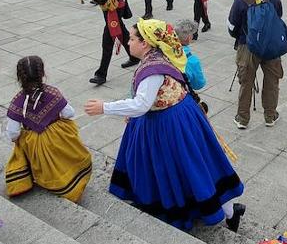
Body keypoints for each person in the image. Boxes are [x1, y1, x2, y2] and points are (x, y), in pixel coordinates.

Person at [84, 20, 246, 232]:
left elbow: (141, 104)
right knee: (198, 164)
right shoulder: (157, 57)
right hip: (178, 117)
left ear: (146, 44)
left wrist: (105, 107)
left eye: (132, 38)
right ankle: (229, 211)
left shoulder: (153, 70)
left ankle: (222, 211)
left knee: (189, 166)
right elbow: (142, 99)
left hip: (170, 123)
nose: (128, 42)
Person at [3, 56, 92, 201]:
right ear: (42, 73)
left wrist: (21, 139)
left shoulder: (17, 101)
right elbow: (69, 113)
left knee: (24, 145)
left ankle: (46, 178)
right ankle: (73, 178)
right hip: (59, 135)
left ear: (20, 77)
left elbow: (13, 132)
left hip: (35, 141)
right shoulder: (53, 93)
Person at [227, 0, 284, 129]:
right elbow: (279, 16)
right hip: (271, 46)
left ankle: (242, 118)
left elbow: (231, 26)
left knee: (246, 83)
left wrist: (240, 36)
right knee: (272, 81)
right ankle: (270, 115)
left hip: (248, 46)